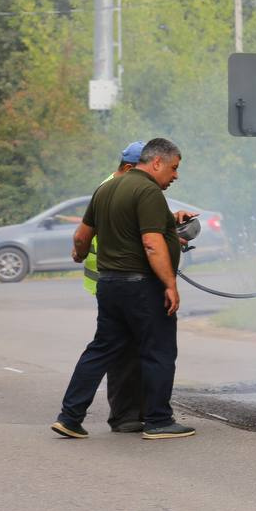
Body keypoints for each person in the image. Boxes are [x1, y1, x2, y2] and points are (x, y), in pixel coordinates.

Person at [52, 138, 196, 441]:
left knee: (101, 350)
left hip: (109, 285)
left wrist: (78, 255)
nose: (175, 175)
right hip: (141, 286)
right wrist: (170, 284)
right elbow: (151, 243)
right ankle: (158, 421)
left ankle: (70, 417)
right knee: (159, 351)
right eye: (173, 168)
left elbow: (81, 236)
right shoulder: (148, 191)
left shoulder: (106, 189)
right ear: (156, 162)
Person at [80, 140, 147, 433]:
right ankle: (126, 415)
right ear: (131, 168)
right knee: (120, 351)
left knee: (118, 349)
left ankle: (126, 413)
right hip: (120, 281)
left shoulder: (110, 186)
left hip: (109, 282)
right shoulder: (119, 190)